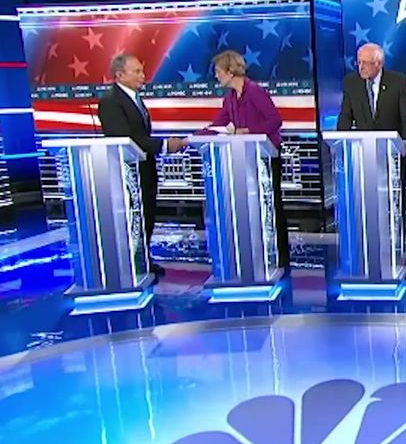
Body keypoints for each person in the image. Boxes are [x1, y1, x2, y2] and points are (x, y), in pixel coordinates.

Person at [98, 53, 187, 278]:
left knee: (146, 214)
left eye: (141, 70)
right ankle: (131, 262)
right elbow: (126, 138)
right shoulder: (111, 101)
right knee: (133, 216)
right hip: (128, 172)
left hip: (145, 168)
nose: (142, 75)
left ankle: (142, 258)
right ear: (119, 75)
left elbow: (140, 134)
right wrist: (165, 145)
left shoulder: (135, 98)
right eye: (136, 71)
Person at [200, 50, 289, 268]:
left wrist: (248, 131)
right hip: (245, 158)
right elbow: (219, 124)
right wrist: (193, 137)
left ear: (231, 71)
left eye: (218, 71)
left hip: (267, 157)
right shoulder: (230, 98)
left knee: (271, 205)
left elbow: (275, 121)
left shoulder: (255, 92)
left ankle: (280, 256)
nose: (216, 76)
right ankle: (254, 253)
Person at [337, 42, 406, 225]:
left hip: (393, 153)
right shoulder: (351, 83)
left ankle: (396, 238)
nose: (361, 67)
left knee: (393, 199)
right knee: (367, 199)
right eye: (359, 62)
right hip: (363, 155)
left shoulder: (397, 81)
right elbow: (345, 117)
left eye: (365, 63)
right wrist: (342, 143)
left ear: (379, 64)